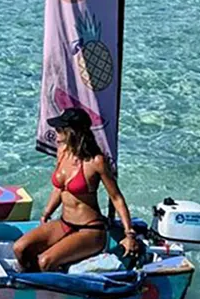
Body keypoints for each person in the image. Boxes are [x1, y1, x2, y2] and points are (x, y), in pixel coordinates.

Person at [13, 108, 140, 272]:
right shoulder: (62, 152)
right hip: (64, 223)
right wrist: (46, 213)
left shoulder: (96, 161)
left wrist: (129, 234)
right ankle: (30, 286)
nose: (55, 132)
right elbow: (59, 189)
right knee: (20, 248)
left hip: (89, 229)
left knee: (45, 261)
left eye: (59, 129)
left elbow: (116, 198)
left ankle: (50, 291)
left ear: (72, 132)